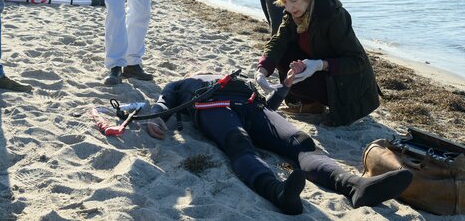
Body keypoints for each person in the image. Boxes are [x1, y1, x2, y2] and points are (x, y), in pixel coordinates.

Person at [145, 72, 412, 215]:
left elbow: (270, 104)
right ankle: (278, 192)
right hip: (213, 105)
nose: (202, 66)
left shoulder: (234, 76)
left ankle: (354, 185)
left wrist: (283, 88)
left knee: (301, 142)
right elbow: (164, 101)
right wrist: (157, 117)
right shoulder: (182, 82)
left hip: (254, 105)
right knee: (239, 143)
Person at [254, 0, 380, 125]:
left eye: (293, 0)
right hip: (319, 70)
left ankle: (320, 103)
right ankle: (311, 105)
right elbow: (278, 41)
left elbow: (357, 60)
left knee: (298, 73)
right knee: (282, 51)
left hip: (348, 84)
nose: (289, 8)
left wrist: (319, 64)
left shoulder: (332, 14)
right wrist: (262, 69)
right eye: (285, 2)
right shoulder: (293, 14)